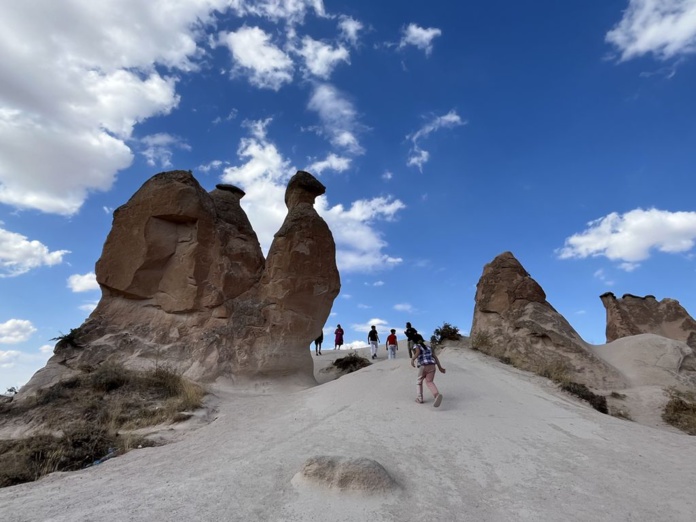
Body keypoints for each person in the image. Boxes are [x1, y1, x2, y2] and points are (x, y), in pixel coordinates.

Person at [411, 334, 446, 407]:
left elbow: (417, 352)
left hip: (423, 366)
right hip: (432, 366)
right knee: (429, 382)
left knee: (419, 381)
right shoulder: (429, 347)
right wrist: (440, 367)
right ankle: (436, 395)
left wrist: (412, 359)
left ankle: (419, 398)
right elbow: (435, 357)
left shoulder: (417, 345)